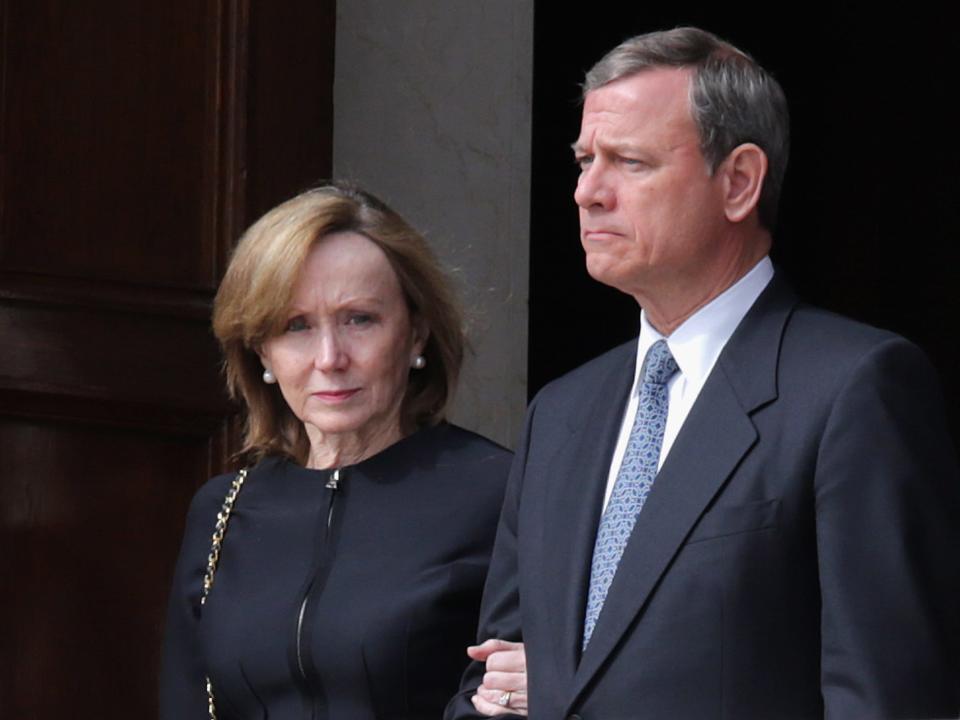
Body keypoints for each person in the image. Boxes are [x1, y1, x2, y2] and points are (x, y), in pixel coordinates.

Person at [448, 27, 960, 719]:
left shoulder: (852, 388)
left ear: (740, 181)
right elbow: (490, 686)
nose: (587, 192)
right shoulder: (560, 413)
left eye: (628, 161)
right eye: (583, 160)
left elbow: (888, 699)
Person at [160, 183, 518, 719]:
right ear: (262, 350)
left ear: (416, 332)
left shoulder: (502, 491)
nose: (329, 358)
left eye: (360, 319)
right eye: (295, 326)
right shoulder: (222, 511)